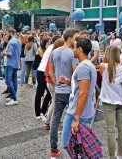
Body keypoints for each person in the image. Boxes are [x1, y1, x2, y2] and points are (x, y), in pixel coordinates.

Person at [61, 37, 97, 149]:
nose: (73, 50)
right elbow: (82, 88)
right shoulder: (89, 65)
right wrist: (68, 82)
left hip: (77, 112)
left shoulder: (83, 67)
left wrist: (76, 118)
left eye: (74, 47)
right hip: (84, 110)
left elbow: (83, 93)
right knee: (79, 147)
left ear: (80, 49)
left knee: (68, 145)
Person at [49, 28, 79, 159]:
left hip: (58, 90)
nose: (77, 41)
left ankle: (53, 150)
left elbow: (51, 71)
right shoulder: (72, 53)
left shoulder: (54, 52)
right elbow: (76, 74)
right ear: (69, 38)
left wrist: (57, 83)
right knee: (74, 119)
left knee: (55, 119)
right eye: (75, 38)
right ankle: (73, 149)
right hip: (70, 91)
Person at [99, 45, 122, 159]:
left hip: (108, 101)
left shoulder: (103, 66)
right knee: (121, 129)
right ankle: (120, 155)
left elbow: (103, 74)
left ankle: (112, 156)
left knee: (110, 131)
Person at [2, 28, 21, 106]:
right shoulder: (18, 40)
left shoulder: (11, 41)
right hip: (16, 63)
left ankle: (14, 98)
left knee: (7, 81)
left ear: (10, 33)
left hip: (10, 63)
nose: (6, 35)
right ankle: (13, 96)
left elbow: (10, 53)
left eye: (7, 33)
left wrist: (4, 52)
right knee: (14, 80)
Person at [34, 38, 51, 120]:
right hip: (41, 71)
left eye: (49, 42)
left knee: (49, 92)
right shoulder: (40, 49)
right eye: (47, 42)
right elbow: (44, 57)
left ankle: (43, 110)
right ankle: (38, 112)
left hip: (46, 71)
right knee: (40, 92)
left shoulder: (50, 48)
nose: (48, 44)